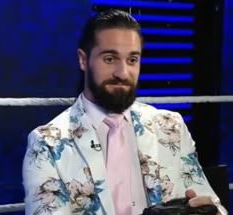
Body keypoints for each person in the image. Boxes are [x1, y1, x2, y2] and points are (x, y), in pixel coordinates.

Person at [22, 9, 227, 215]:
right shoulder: (46, 144)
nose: (123, 73)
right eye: (110, 59)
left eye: (132, 60)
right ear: (83, 60)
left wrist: (211, 211)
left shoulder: (170, 125)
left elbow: (212, 204)